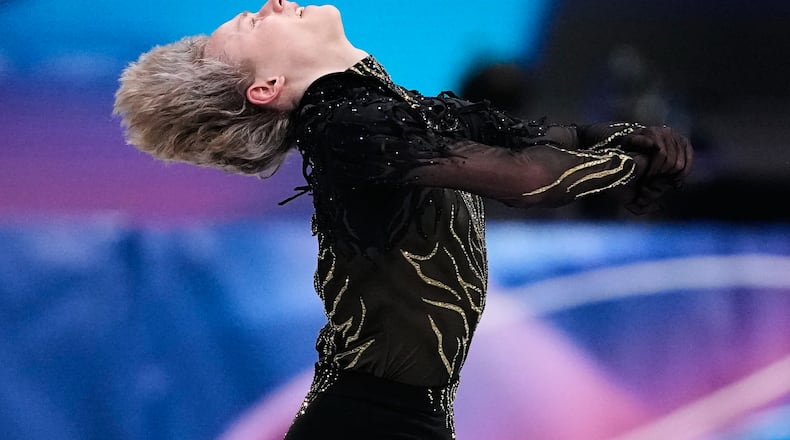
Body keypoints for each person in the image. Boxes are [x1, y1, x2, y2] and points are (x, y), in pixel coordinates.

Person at [113, 1, 693, 438]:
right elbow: (528, 178)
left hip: (396, 417)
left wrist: (633, 141)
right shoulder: (345, 127)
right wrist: (630, 162)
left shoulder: (389, 109)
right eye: (251, 24)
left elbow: (532, 137)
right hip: (368, 420)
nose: (271, 4)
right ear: (266, 87)